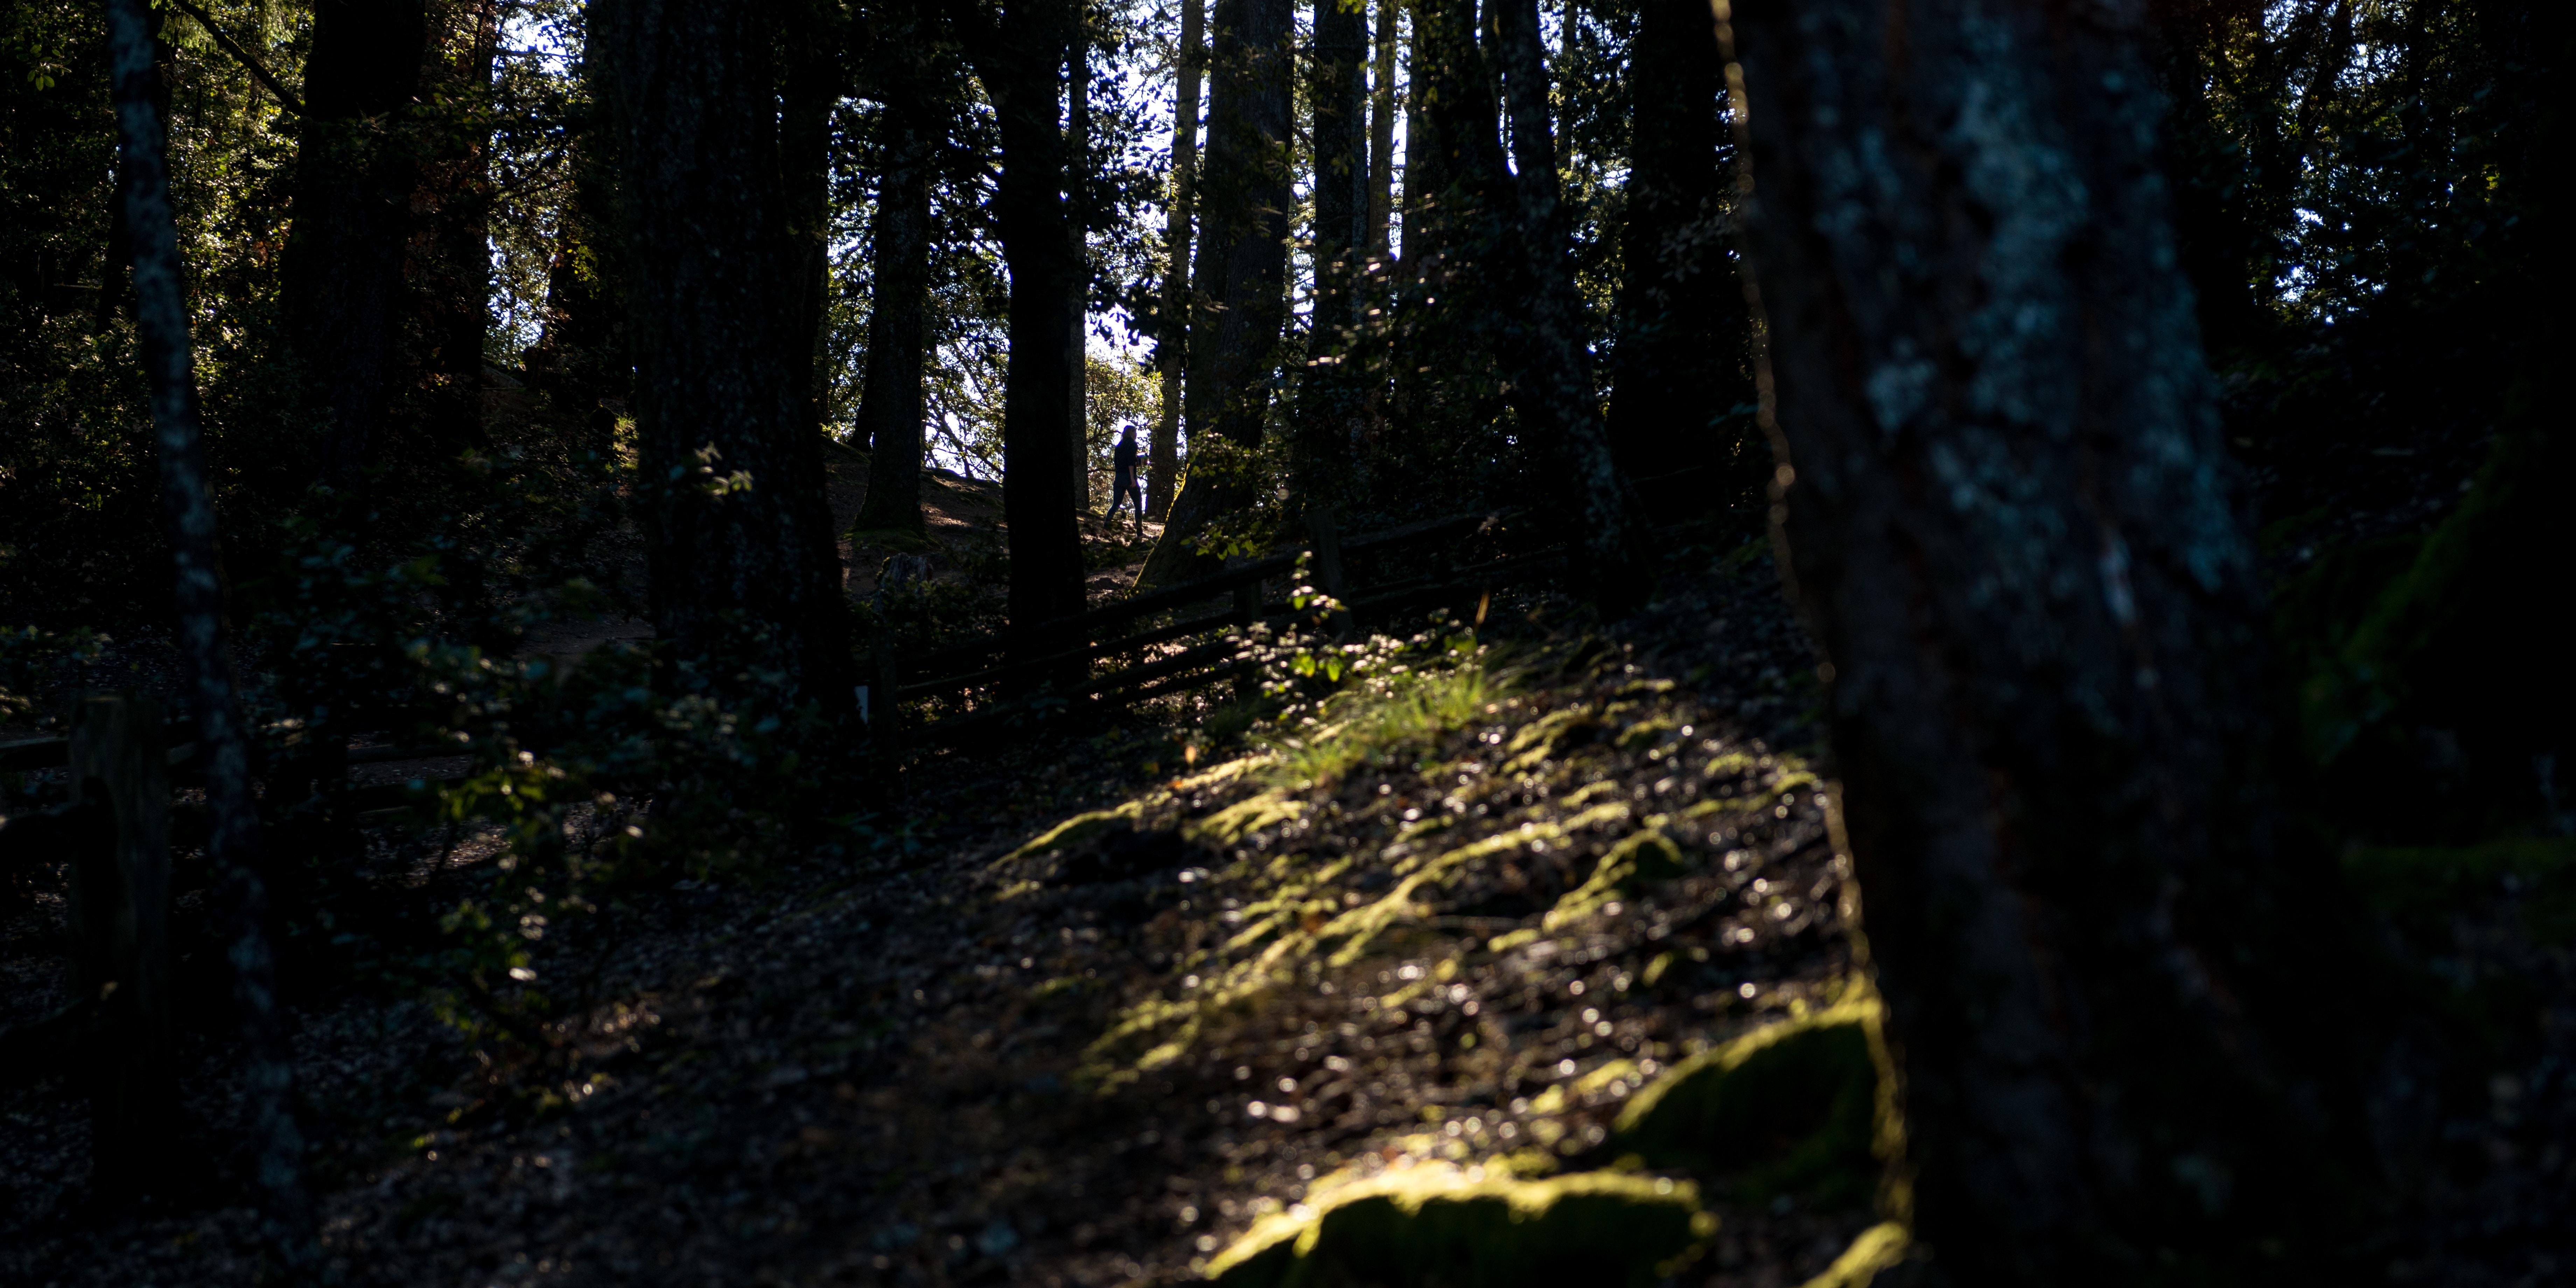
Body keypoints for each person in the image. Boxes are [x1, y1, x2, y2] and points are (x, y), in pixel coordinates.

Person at [1110, 423, 1146, 526]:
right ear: (1131, 433)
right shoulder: (1133, 445)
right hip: (1129, 478)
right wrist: (1132, 478)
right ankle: (1139, 532)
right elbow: (1130, 461)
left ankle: (1106, 528)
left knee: (1116, 505)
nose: (1136, 435)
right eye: (1135, 432)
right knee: (1138, 505)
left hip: (1119, 477)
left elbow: (1117, 463)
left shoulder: (1119, 446)